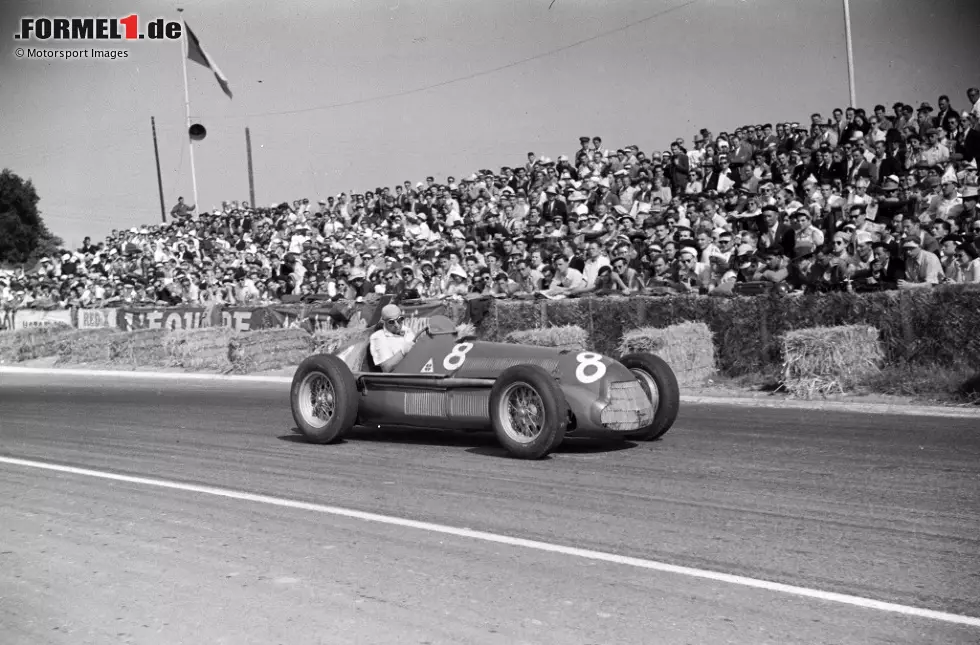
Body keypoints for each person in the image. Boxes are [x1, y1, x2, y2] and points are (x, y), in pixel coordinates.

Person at [369, 304, 419, 372]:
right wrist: (403, 352)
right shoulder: (378, 337)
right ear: (383, 322)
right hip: (398, 378)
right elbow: (386, 367)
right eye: (391, 322)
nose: (397, 325)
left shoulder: (407, 330)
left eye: (399, 319)